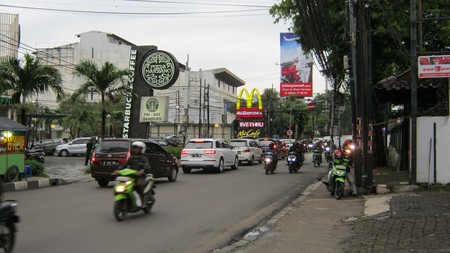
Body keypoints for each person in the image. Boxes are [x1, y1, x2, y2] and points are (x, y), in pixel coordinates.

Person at [116, 141, 150, 208]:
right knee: (123, 185)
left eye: (138, 148)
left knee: (138, 186)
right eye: (135, 148)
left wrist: (142, 171)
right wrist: (118, 170)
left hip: (140, 176)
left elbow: (146, 165)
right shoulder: (132, 158)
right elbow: (124, 164)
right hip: (131, 176)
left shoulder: (144, 158)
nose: (136, 150)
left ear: (142, 149)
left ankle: (143, 201)